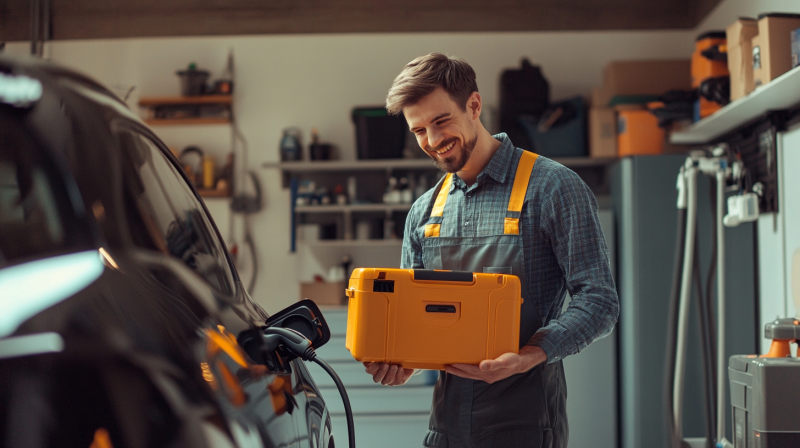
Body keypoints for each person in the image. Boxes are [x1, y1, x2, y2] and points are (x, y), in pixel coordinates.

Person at [362, 52, 619, 448]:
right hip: (446, 427)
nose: (432, 142)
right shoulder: (423, 211)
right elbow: (414, 323)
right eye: (419, 131)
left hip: (526, 424)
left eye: (441, 121)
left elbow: (600, 302)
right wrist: (403, 363)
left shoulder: (553, 188)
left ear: (474, 106)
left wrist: (531, 353)